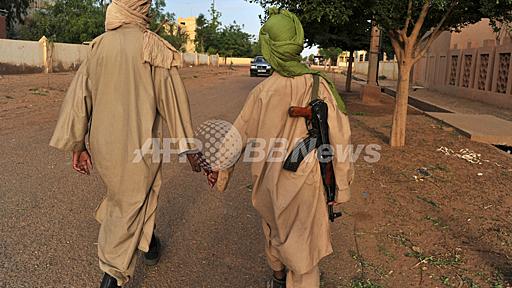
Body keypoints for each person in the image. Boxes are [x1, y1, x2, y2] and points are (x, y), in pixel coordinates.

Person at [49, 0, 203, 287]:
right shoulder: (150, 45)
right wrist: (189, 147)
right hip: (138, 149)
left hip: (104, 148)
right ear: (141, 7)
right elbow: (172, 100)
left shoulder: (99, 46)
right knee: (129, 204)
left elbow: (79, 98)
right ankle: (111, 276)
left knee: (128, 199)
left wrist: (78, 146)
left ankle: (151, 245)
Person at [215, 9, 354, 288]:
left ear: (268, 47)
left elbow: (235, 137)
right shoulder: (320, 86)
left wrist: (219, 171)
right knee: (303, 254)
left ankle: (278, 279)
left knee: (273, 232)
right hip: (306, 184)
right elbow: (340, 139)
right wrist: (341, 187)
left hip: (267, 181)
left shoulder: (262, 92)